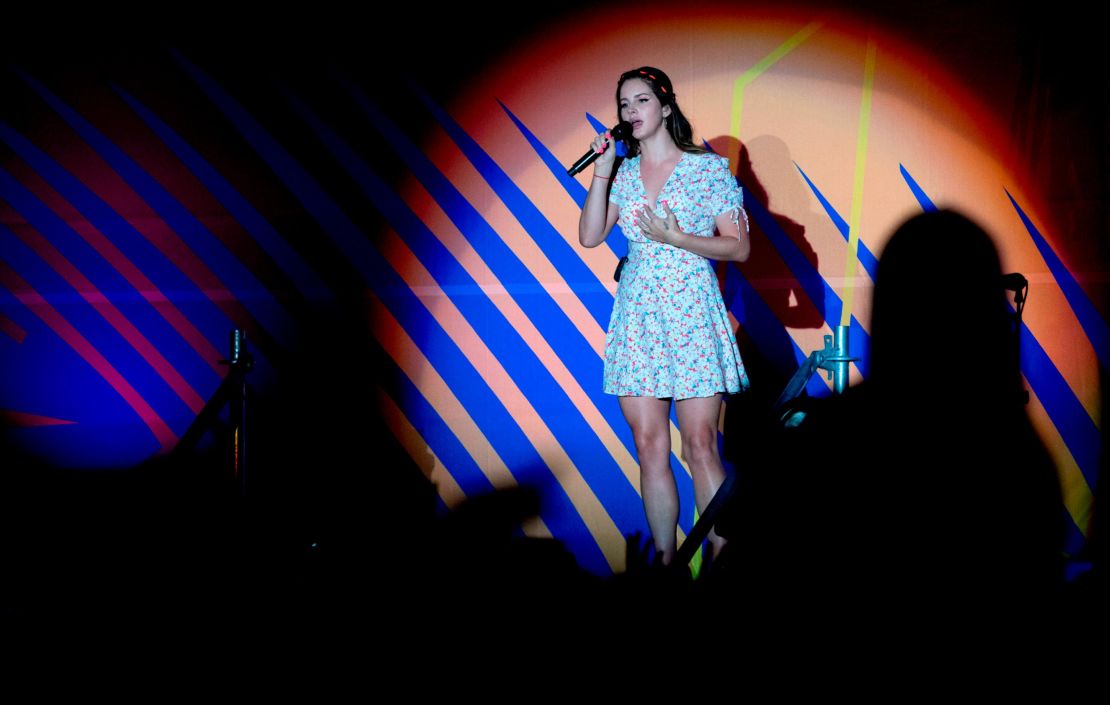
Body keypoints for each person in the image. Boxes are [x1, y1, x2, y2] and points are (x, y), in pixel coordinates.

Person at [578, 66, 750, 565]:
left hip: (692, 311)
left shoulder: (706, 169)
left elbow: (738, 247)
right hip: (639, 315)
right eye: (624, 104)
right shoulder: (625, 173)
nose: (631, 112)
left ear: (666, 107)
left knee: (700, 444)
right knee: (650, 445)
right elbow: (590, 236)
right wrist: (603, 169)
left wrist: (678, 238)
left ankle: (723, 562)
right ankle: (665, 567)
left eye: (641, 101)